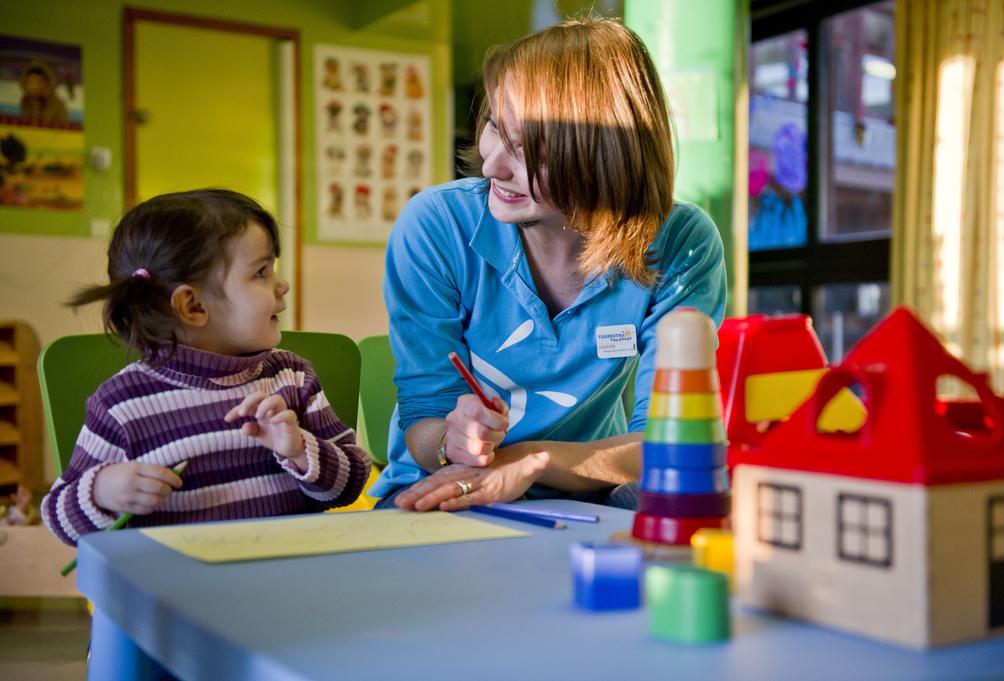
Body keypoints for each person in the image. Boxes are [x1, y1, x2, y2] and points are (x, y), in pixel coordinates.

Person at [371, 18, 727, 512]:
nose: (492, 162)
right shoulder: (437, 224)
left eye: (528, 148)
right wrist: (451, 444)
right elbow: (424, 414)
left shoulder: (682, 242)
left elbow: (670, 442)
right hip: (446, 493)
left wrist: (528, 460)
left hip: (586, 500)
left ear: (608, 156)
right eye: (495, 126)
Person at [42, 189, 371, 546]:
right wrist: (102, 492)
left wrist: (300, 450)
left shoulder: (291, 377)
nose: (282, 284)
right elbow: (59, 518)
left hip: (285, 578)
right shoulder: (121, 404)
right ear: (193, 305)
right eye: (261, 272)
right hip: (179, 589)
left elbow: (351, 484)